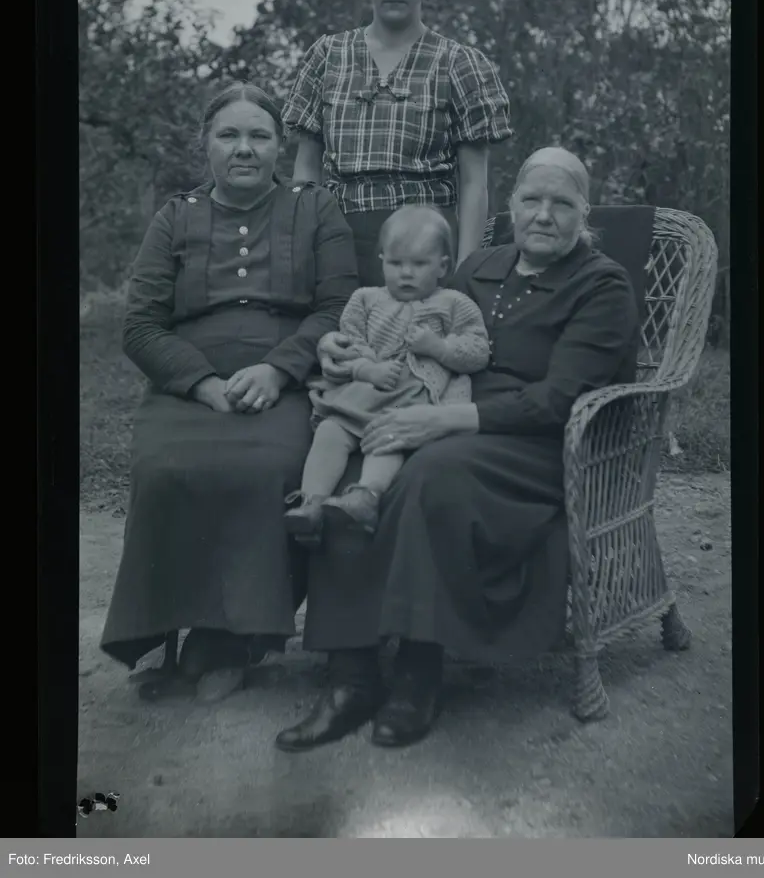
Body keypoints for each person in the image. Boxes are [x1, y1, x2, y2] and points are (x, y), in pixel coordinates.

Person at [274, 146, 641, 752]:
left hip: (538, 444)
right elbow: (401, 327)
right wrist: (344, 352)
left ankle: (419, 670)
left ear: (585, 213)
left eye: (561, 203)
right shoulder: (482, 266)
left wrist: (439, 420)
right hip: (444, 412)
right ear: (511, 206)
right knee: (356, 465)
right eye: (531, 199)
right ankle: (350, 675)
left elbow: (561, 400)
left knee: (430, 474)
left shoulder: (601, 285)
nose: (543, 214)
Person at [100, 83, 359, 703]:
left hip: (285, 378)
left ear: (280, 146)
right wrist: (202, 383)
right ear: (206, 145)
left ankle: (232, 639)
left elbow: (338, 306)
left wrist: (278, 370)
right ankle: (161, 633)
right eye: (229, 135)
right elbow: (140, 325)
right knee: (164, 469)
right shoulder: (176, 216)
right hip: (189, 384)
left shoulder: (315, 207)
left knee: (265, 468)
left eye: (259, 136)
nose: (244, 148)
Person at [281, 0, 513, 285]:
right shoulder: (328, 55)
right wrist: (302, 250)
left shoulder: (458, 63)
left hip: (426, 246)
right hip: (339, 243)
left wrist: (465, 272)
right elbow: (306, 171)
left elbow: (474, 184)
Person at [283, 205, 490, 540]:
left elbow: (478, 350)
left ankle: (366, 496)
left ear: (443, 266)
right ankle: (312, 503)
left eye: (419, 264)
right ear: (381, 261)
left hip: (410, 402)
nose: (406, 274)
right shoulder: (365, 299)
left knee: (389, 436)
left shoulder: (455, 303)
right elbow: (349, 341)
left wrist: (438, 347)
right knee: (331, 431)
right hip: (365, 391)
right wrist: (367, 368)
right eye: (395, 263)